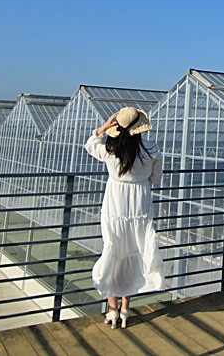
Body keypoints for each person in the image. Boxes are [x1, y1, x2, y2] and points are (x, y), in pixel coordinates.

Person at [84, 106, 165, 329]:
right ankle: (126, 308)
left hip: (115, 202)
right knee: (136, 248)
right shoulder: (151, 150)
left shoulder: (111, 149)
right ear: (140, 128)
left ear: (118, 127)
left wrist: (104, 127)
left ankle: (112, 310)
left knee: (114, 247)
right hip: (139, 202)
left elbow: (90, 144)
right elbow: (156, 180)